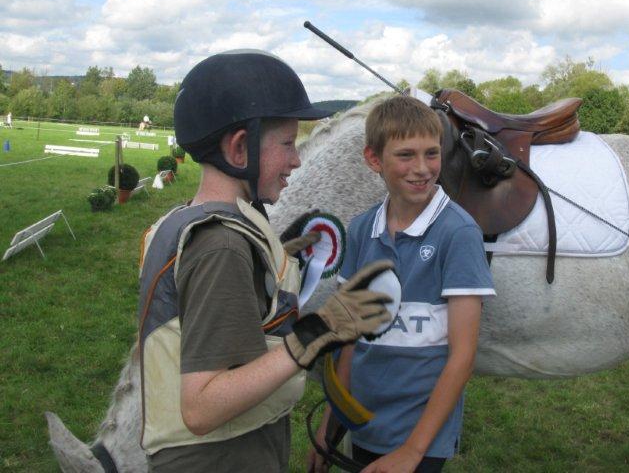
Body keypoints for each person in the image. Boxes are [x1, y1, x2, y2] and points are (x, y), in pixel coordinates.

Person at [138, 50, 393, 472]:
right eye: (288, 144)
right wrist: (319, 331)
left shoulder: (186, 220)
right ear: (240, 148)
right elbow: (201, 408)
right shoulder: (220, 247)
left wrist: (273, 260)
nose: (296, 160)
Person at [309, 95, 495, 473]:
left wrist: (412, 450)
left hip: (421, 437)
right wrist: (332, 426)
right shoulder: (361, 230)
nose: (423, 169)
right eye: (406, 155)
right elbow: (350, 340)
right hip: (364, 424)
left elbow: (462, 356)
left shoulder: (458, 233)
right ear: (374, 159)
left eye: (432, 153)